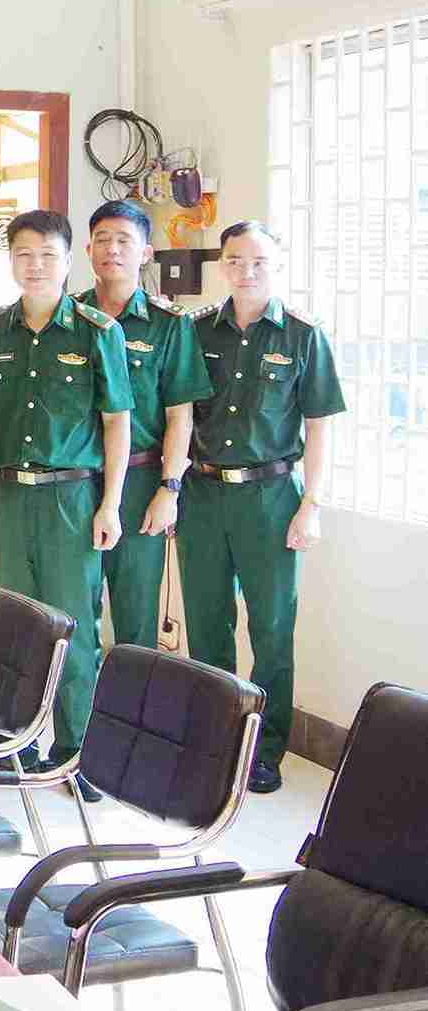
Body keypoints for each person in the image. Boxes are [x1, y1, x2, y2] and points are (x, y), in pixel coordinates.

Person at [0, 209, 133, 788]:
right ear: (10, 260)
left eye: (48, 255)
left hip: (70, 499)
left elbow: (117, 423)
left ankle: (76, 751)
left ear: (67, 260)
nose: (35, 266)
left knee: (73, 626)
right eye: (24, 255)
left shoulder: (97, 332)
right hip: (5, 496)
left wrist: (110, 504)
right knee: (11, 625)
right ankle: (15, 742)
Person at [181, 221, 344, 794]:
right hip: (203, 493)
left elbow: (319, 428)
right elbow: (178, 415)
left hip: (271, 498)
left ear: (276, 265)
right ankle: (212, 738)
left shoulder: (302, 335)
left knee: (272, 629)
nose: (245, 271)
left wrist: (311, 504)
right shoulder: (196, 331)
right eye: (234, 260)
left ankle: (263, 749)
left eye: (258, 261)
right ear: (221, 265)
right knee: (207, 624)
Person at [79, 200, 211, 651]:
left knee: (135, 616)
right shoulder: (70, 317)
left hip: (140, 482)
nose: (112, 250)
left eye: (124, 241)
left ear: (146, 253)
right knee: (74, 611)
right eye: (102, 240)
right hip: (74, 480)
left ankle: (131, 699)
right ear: (88, 250)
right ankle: (78, 698)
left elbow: (180, 415)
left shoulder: (168, 324)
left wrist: (169, 488)